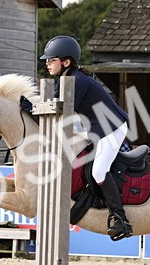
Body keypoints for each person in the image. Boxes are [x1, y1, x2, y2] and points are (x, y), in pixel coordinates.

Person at [39, 35, 133, 239]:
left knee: (99, 171)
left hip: (111, 128)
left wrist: (30, 107)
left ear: (66, 62)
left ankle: (120, 219)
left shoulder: (77, 81)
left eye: (51, 60)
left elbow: (59, 112)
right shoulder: (66, 79)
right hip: (95, 129)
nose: (47, 63)